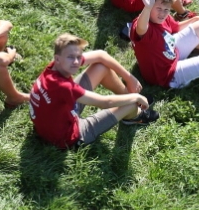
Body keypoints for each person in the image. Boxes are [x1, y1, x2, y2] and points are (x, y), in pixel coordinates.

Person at [29, 33, 158, 149]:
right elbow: (105, 102)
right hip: (68, 138)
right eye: (70, 57)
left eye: (78, 57)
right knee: (131, 103)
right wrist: (136, 97)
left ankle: (131, 98)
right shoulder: (65, 87)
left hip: (55, 119)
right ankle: (135, 115)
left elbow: (100, 56)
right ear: (58, 59)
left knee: (101, 67)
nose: (76, 62)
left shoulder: (54, 67)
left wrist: (129, 78)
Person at [128, 0, 199, 88]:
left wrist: (196, 19)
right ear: (151, 6)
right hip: (165, 74)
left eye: (166, 9)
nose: (162, 14)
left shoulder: (164, 18)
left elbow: (176, 27)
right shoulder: (143, 25)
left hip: (172, 52)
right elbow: (141, 28)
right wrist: (147, 8)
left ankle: (198, 50)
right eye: (158, 9)